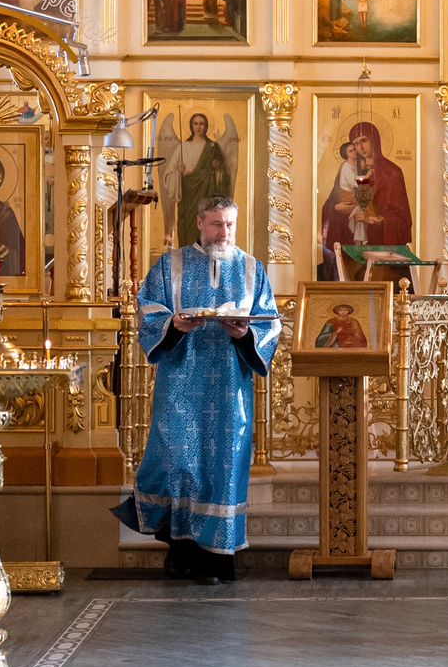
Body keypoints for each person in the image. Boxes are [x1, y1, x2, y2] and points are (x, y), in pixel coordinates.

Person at [116, 196, 280, 584]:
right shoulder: (169, 264)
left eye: (230, 225)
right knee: (177, 463)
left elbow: (269, 323)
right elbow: (147, 310)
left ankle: (216, 560)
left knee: (224, 468)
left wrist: (245, 334)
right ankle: (180, 549)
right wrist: (173, 324)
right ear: (200, 223)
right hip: (179, 383)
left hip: (229, 388)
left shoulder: (252, 268)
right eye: (216, 224)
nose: (224, 233)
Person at [319, 120, 412, 276]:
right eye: (355, 144)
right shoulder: (348, 170)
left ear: (374, 140)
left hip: (380, 252)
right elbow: (329, 204)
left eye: (364, 140)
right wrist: (336, 208)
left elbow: (402, 218)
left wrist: (375, 220)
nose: (360, 147)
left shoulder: (392, 172)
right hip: (352, 248)